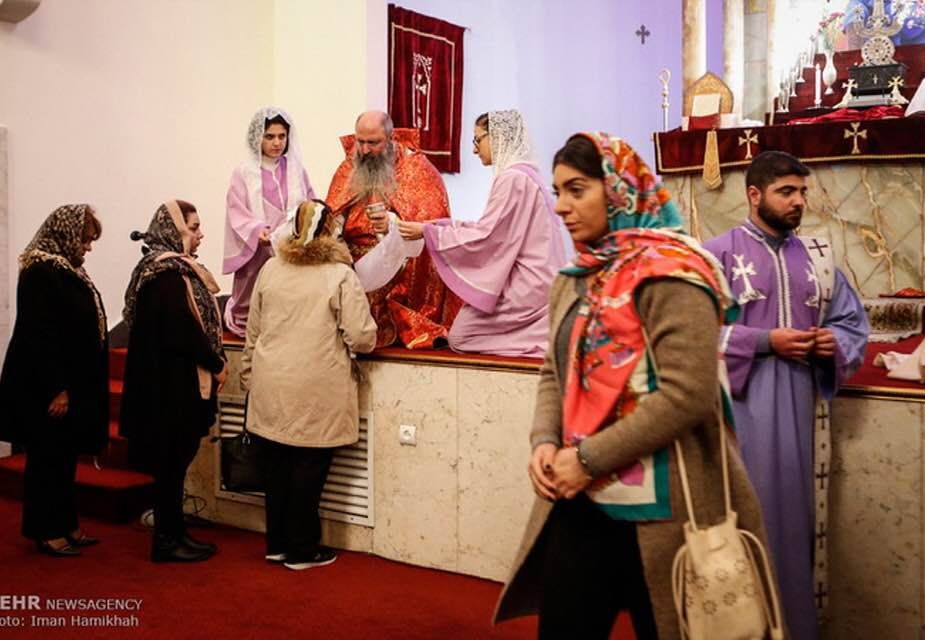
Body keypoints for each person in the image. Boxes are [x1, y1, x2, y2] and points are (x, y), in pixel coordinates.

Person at [495, 133, 775, 639]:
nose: (561, 207)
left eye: (576, 190)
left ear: (618, 189)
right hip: (581, 501)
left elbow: (685, 394)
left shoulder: (675, 272)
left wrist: (585, 459)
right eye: (558, 192)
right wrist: (544, 441)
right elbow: (553, 374)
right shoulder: (575, 277)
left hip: (666, 509)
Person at [703, 150, 869, 640]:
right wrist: (762, 342)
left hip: (799, 416)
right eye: (786, 192)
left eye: (802, 191)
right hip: (738, 418)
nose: (799, 202)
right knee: (742, 528)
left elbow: (850, 324)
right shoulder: (718, 255)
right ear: (754, 195)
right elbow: (688, 335)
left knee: (793, 533)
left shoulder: (818, 259)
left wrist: (830, 342)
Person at [241, 200, 376, 570]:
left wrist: (248, 374)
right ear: (330, 229)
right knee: (308, 467)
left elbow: (253, 329)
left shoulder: (271, 268)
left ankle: (277, 544)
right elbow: (361, 337)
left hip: (271, 384)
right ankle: (303, 550)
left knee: (276, 468)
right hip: (315, 385)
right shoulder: (339, 275)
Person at [396, 110, 567, 357]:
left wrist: (431, 234)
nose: (475, 149)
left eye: (478, 140)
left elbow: (486, 237)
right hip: (541, 278)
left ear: (497, 137)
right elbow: (491, 229)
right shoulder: (527, 174)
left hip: (526, 284)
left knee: (463, 337)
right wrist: (436, 227)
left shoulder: (512, 179)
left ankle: (544, 344)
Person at [0, 204, 108, 556]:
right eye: (86, 239)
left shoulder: (66, 269)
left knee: (64, 459)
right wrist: (56, 388)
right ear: (67, 234)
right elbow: (39, 335)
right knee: (47, 461)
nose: (88, 247)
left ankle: (67, 524)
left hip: (71, 382)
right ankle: (46, 530)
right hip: (48, 387)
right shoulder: (41, 270)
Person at [120, 200, 228, 563]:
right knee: (170, 465)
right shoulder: (165, 275)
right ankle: (166, 541)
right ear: (175, 230)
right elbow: (182, 331)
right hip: (168, 388)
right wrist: (215, 363)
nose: (200, 235)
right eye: (194, 228)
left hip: (173, 384)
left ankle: (175, 531)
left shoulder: (172, 270)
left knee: (176, 463)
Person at [325, 110, 461, 349]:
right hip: (351, 264)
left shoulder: (417, 169)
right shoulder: (349, 166)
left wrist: (392, 225)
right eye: (360, 141)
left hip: (399, 265)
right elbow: (332, 213)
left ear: (390, 139)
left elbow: (431, 226)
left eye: (373, 143)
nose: (365, 150)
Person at [223, 107, 316, 338]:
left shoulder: (296, 169)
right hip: (258, 247)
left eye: (282, 136)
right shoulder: (243, 172)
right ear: (258, 137)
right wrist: (257, 231)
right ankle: (246, 325)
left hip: (289, 246)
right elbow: (237, 208)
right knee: (253, 291)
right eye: (270, 136)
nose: (277, 142)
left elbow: (310, 202)